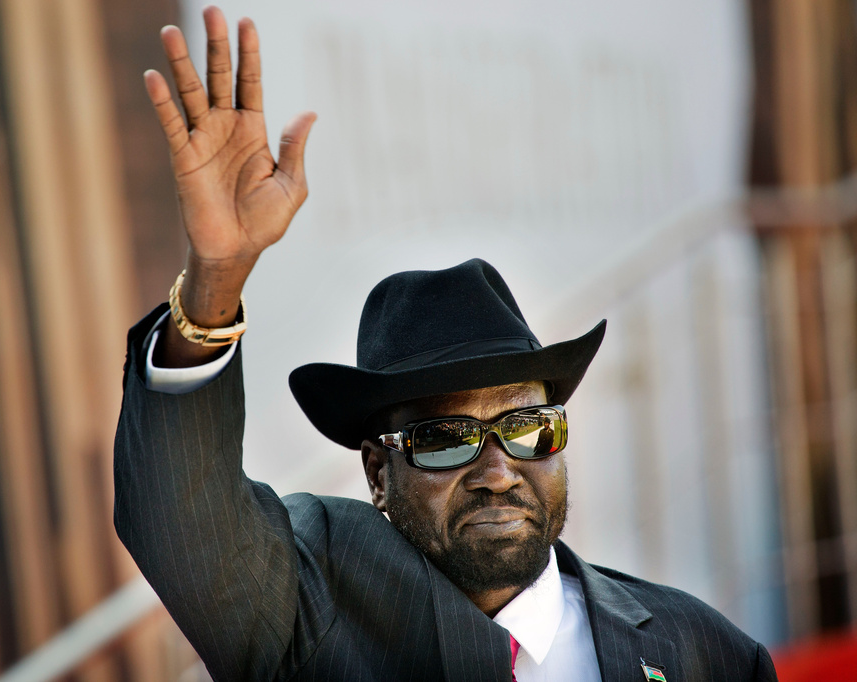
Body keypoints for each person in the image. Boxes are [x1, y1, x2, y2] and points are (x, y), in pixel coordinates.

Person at [114, 7, 778, 681]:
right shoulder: (308, 611)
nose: (497, 471)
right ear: (377, 473)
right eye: (444, 439)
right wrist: (216, 278)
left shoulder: (706, 652)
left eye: (528, 427)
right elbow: (184, 520)